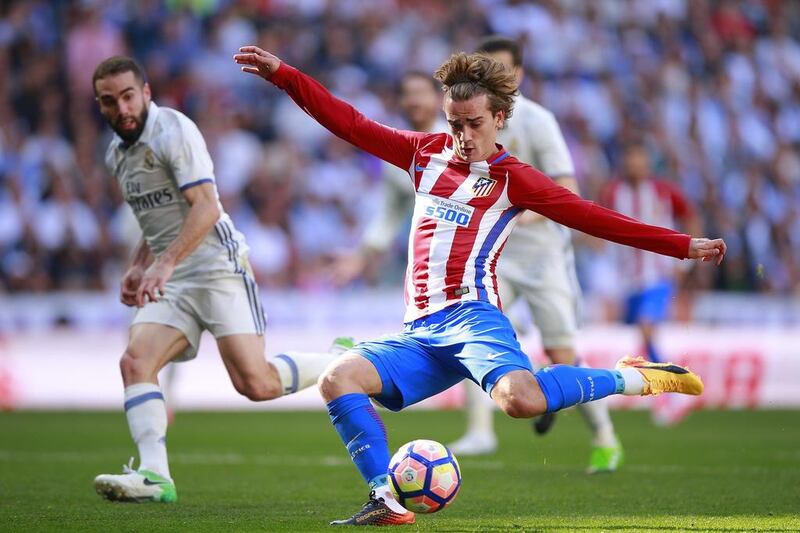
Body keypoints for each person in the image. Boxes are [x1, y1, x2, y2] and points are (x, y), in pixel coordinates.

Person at [234, 46, 725, 526]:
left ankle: (633, 376)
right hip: (420, 331)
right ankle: (385, 499)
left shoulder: (514, 179)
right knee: (337, 379)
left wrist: (682, 245)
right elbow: (348, 123)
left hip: (473, 319)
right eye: (454, 124)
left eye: (474, 123)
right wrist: (284, 75)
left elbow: (594, 218)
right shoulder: (422, 154)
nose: (463, 135)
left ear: (499, 117)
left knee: (521, 401)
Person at [91, 56, 349, 504]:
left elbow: (206, 207)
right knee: (135, 363)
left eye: (128, 96)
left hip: (216, 267)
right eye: (109, 101)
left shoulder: (173, 131)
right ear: (101, 106)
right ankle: (155, 476)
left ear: (146, 93)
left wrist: (163, 264)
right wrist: (139, 263)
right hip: (172, 274)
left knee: (257, 384)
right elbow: (155, 220)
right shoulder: (117, 153)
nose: (122, 108)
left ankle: (340, 361)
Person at [444, 36, 622, 471]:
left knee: (561, 353)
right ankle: (481, 432)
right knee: (473, 331)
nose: (493, 78)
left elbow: (569, 188)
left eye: (502, 70)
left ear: (519, 75)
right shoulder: (467, 121)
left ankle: (604, 436)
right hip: (492, 255)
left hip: (543, 256)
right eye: (486, 70)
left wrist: (519, 215)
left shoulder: (539, 121)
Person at [599, 141, 701, 425]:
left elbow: (691, 216)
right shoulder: (612, 192)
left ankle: (673, 391)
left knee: (645, 327)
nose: (634, 163)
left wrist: (688, 260)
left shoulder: (663, 191)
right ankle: (658, 389)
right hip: (626, 281)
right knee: (639, 337)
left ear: (648, 161)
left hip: (658, 275)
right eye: (630, 156)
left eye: (639, 157)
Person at [330, 71, 448, 286]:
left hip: (480, 252)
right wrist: (363, 255)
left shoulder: (459, 142)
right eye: (407, 94)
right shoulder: (393, 152)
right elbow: (391, 213)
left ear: (439, 99)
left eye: (420, 93)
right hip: (431, 260)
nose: (413, 101)